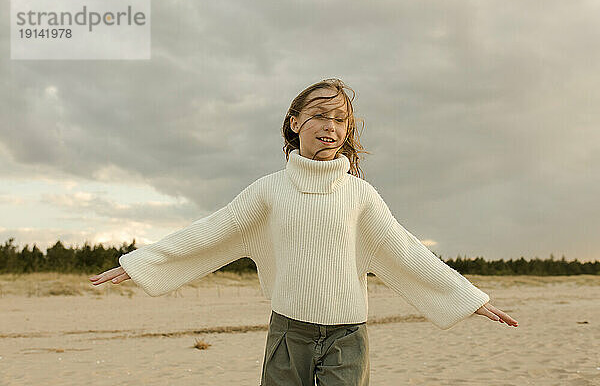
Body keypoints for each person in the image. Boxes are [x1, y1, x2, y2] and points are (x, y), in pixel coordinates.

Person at [90, 78, 518, 385]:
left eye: (340, 120)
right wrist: (142, 262)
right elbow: (213, 231)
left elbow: (405, 252)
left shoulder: (360, 195)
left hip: (348, 333)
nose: (330, 126)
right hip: (288, 329)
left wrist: (468, 297)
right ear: (295, 123)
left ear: (347, 132)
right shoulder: (269, 189)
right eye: (319, 115)